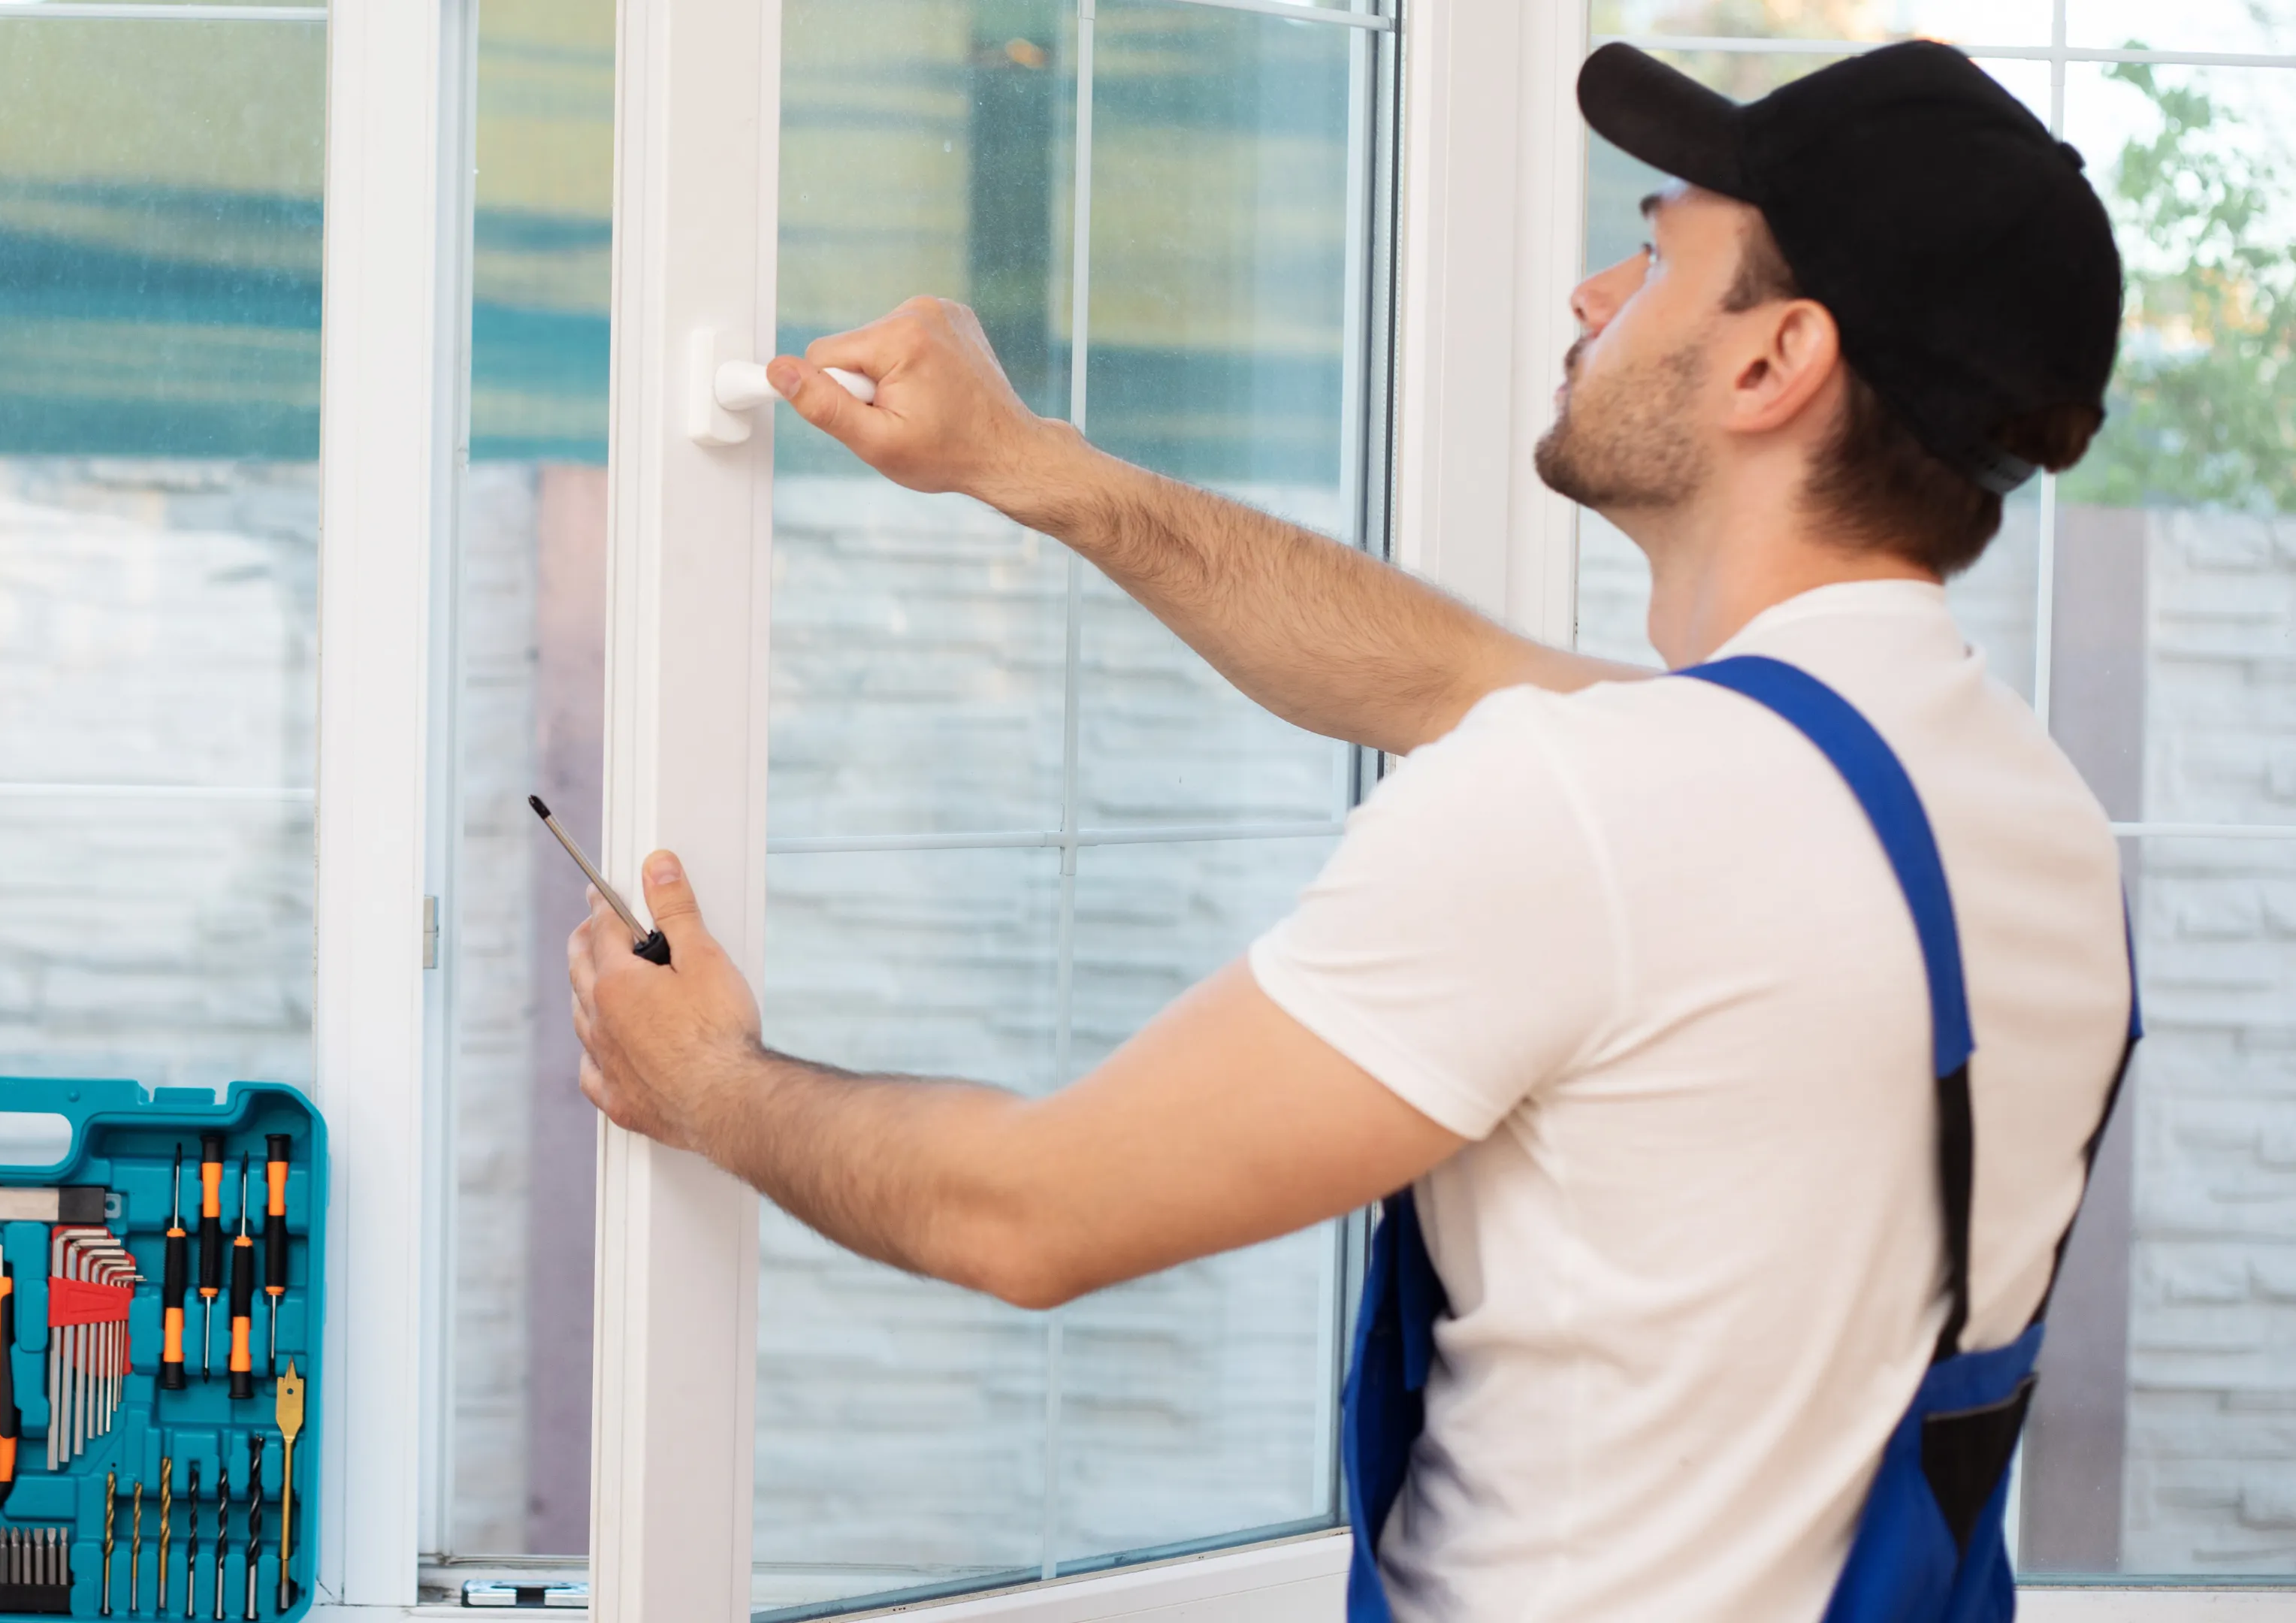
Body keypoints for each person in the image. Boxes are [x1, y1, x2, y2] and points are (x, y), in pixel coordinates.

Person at [566, 39, 2133, 1622]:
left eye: (1659, 258)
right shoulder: (2017, 811)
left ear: (1772, 361)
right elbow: (1437, 673)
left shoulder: (1604, 802)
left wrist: (707, 1083)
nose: (1594, 293)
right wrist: (1026, 465)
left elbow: (1026, 1213)